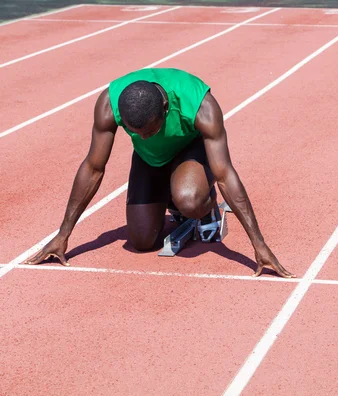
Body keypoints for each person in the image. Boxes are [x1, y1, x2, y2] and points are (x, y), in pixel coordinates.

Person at [25, 67, 295, 279]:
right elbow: (93, 167)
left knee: (189, 199)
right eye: (135, 132)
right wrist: (63, 235)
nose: (142, 136)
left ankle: (205, 204)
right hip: (150, 159)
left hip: (191, 150)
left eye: (150, 131)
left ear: (165, 110)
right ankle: (172, 197)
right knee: (142, 241)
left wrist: (259, 246)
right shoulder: (110, 103)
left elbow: (225, 173)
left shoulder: (200, 105)